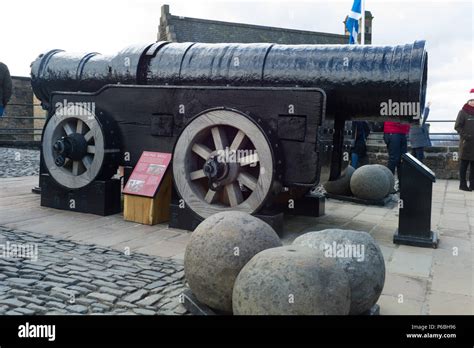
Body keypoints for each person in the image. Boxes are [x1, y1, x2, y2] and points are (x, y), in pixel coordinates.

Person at [454, 89, 474, 191]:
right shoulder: (463, 112)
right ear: (468, 102)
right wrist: (466, 136)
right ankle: (462, 185)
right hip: (466, 143)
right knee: (464, 166)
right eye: (471, 100)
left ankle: (472, 185)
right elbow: (457, 126)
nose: (473, 102)